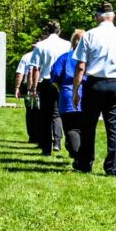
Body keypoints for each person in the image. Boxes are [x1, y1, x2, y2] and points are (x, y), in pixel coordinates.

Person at [72, 2, 116, 176]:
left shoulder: (89, 35)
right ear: (113, 16)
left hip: (95, 83)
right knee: (114, 127)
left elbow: (81, 65)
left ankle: (85, 163)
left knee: (88, 126)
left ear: (97, 17)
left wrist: (75, 91)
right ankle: (112, 168)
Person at [28, 20, 71, 155]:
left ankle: (46, 148)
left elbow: (36, 68)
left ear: (47, 31)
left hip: (46, 81)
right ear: (60, 31)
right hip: (63, 81)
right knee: (60, 113)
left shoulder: (41, 45)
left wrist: (34, 87)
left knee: (45, 115)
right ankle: (58, 141)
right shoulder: (67, 45)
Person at [51, 29, 86, 162]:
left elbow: (55, 76)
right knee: (85, 129)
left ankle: (77, 156)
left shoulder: (65, 57)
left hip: (68, 94)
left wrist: (61, 89)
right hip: (88, 95)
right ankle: (81, 154)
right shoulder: (92, 58)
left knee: (71, 127)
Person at [14, 48, 39, 143]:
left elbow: (20, 73)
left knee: (30, 113)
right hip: (42, 85)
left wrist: (17, 88)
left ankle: (33, 136)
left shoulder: (26, 56)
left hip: (29, 87)